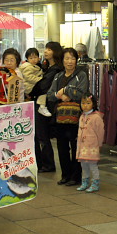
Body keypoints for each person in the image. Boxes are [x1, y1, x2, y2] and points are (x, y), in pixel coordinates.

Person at [47, 47, 89, 186]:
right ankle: (65, 175)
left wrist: (66, 90)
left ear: (76, 60)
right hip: (60, 117)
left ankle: (76, 176)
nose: (70, 61)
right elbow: (50, 95)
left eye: (72, 58)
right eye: (67, 58)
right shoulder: (58, 76)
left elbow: (82, 93)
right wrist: (59, 95)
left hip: (76, 116)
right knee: (62, 147)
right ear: (62, 60)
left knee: (76, 146)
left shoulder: (81, 75)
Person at [31, 41, 63, 172]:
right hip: (42, 103)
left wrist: (31, 92)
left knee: (42, 134)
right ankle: (43, 163)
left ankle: (48, 164)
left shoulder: (56, 70)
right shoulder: (46, 67)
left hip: (46, 104)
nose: (46, 51)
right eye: (46, 49)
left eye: (49, 49)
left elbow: (43, 86)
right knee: (40, 134)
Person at [76, 93, 104, 193]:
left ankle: (95, 183)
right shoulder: (82, 116)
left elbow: (100, 132)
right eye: (83, 103)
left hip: (92, 146)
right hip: (82, 146)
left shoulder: (96, 117)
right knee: (84, 165)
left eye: (88, 103)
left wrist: (99, 144)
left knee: (92, 165)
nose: (85, 105)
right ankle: (85, 182)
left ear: (93, 104)